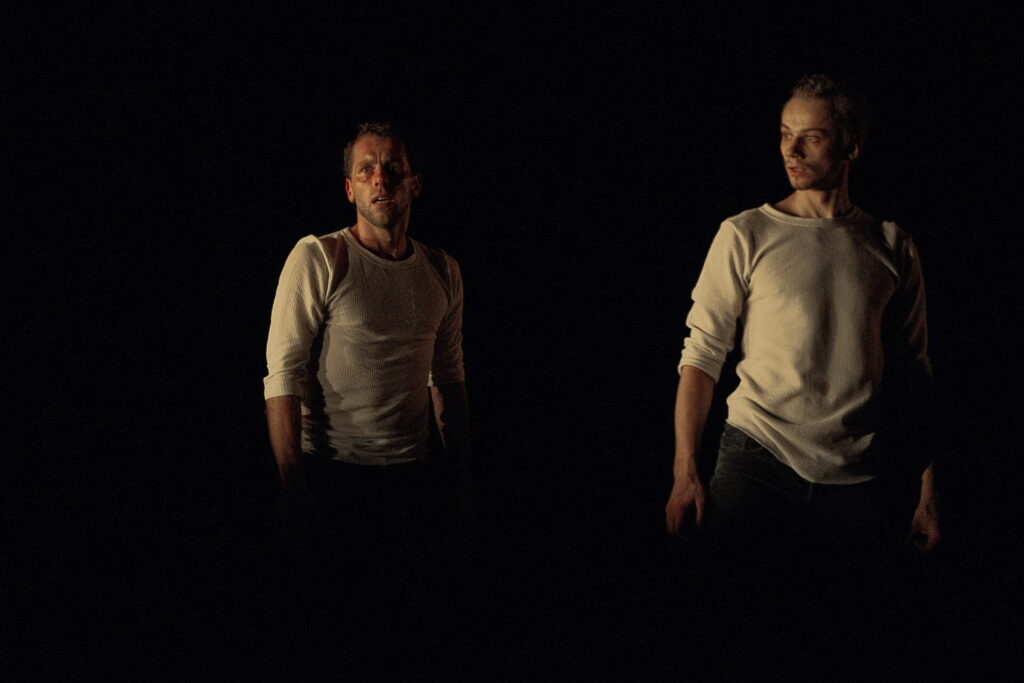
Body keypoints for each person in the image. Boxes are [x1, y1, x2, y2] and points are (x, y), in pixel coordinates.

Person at [663, 75, 941, 670]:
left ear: (851, 145)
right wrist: (686, 473)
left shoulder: (891, 244)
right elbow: (701, 357)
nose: (791, 150)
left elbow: (914, 377)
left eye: (810, 137)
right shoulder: (746, 233)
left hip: (858, 475)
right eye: (785, 134)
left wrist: (927, 492)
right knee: (731, 639)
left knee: (847, 648)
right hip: (757, 460)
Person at [261, 122, 470, 669]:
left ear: (414, 182)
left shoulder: (441, 270)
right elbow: (282, 374)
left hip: (411, 480)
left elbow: (448, 376)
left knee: (409, 638)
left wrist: (460, 471)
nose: (382, 179)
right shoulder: (321, 257)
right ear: (349, 188)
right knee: (331, 639)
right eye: (367, 170)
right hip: (333, 477)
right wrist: (291, 482)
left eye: (393, 169)